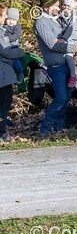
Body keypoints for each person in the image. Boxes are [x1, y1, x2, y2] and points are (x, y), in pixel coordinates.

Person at [35, 0, 77, 137]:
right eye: (55, 5)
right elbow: (52, 44)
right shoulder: (41, 22)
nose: (59, 7)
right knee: (60, 97)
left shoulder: (55, 21)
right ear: (46, 7)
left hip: (65, 63)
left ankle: (59, 127)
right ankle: (45, 129)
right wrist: (71, 47)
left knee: (66, 96)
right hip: (55, 66)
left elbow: (65, 36)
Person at [0, 8, 25, 143]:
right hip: (3, 73)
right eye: (4, 16)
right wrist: (20, 53)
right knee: (4, 101)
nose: (6, 19)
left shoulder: (8, 30)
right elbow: (6, 52)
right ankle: (2, 131)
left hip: (5, 70)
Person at [60, 0, 77, 88]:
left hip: (74, 38)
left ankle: (73, 76)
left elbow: (71, 29)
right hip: (67, 39)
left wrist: (63, 38)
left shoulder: (75, 17)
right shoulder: (63, 15)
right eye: (64, 5)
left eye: (68, 6)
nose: (65, 7)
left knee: (68, 56)